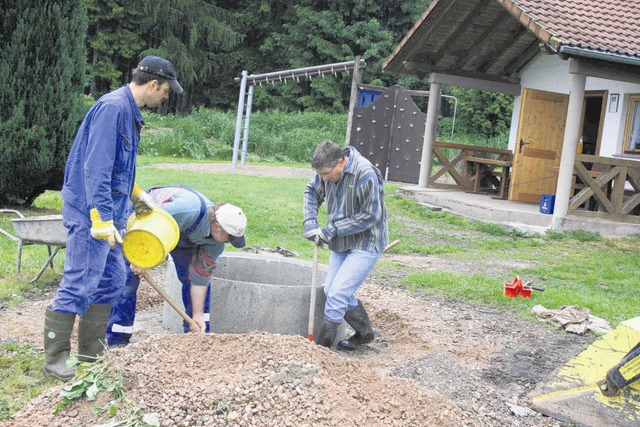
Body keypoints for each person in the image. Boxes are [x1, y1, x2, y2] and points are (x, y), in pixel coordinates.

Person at [43, 56, 183, 381]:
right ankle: (54, 359)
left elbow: (116, 166)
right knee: (80, 281)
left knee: (112, 281)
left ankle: (91, 354)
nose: (165, 97)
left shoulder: (129, 114)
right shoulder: (113, 109)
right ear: (153, 84)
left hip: (111, 214)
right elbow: (96, 169)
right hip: (90, 213)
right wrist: (100, 218)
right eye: (165, 91)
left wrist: (136, 195)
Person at [107, 186, 247, 347]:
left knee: (191, 280)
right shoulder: (186, 210)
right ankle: (118, 339)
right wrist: (139, 259)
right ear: (216, 227)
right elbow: (147, 226)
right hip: (145, 224)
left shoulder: (215, 245)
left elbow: (199, 280)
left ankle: (195, 338)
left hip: (183, 236)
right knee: (128, 280)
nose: (228, 242)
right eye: (229, 238)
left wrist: (198, 314)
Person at [302, 140, 388, 350]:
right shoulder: (327, 170)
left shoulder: (365, 173)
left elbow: (370, 216)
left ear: (341, 161)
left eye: (326, 174)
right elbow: (311, 192)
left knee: (339, 292)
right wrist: (311, 223)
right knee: (330, 289)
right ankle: (365, 333)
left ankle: (323, 346)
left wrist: (331, 230)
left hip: (367, 241)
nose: (323, 179)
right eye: (320, 174)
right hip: (342, 241)